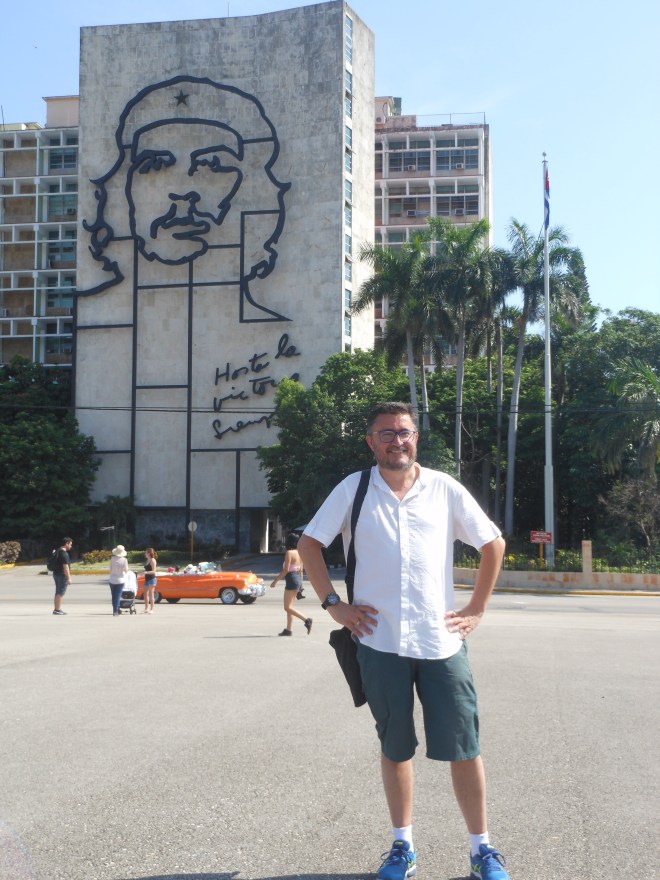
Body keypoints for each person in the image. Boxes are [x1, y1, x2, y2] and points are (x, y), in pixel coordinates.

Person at [298, 402, 510, 880]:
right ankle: (403, 847)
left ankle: (482, 850)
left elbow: (492, 543)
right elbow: (309, 543)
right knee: (395, 747)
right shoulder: (353, 489)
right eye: (387, 433)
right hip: (379, 642)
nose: (398, 440)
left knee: (464, 746)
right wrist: (334, 605)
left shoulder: (443, 488)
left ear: (416, 438)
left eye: (405, 432)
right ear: (371, 442)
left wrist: (476, 607)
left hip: (441, 643)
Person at [270, 533, 312, 637]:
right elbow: (301, 570)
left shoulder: (289, 553)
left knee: (287, 607)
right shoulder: (300, 553)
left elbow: (286, 570)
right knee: (290, 607)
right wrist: (301, 585)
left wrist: (275, 581)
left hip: (291, 579)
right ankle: (288, 630)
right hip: (297, 579)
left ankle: (307, 620)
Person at [51, 537, 73, 615]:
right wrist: (69, 578)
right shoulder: (64, 553)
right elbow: (66, 567)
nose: (71, 546)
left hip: (56, 574)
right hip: (62, 575)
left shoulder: (57, 551)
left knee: (58, 592)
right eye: (70, 544)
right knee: (60, 592)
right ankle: (57, 609)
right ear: (66, 543)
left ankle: (56, 609)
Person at [108, 545, 129, 616]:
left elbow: (110, 570)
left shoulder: (112, 559)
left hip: (112, 579)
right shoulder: (124, 560)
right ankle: (115, 610)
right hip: (120, 580)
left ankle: (117, 608)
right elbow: (126, 571)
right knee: (118, 595)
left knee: (114, 596)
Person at [143, 548, 158, 614]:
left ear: (149, 553)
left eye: (146, 552)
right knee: (145, 593)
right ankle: (146, 608)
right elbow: (146, 569)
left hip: (152, 579)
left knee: (151, 594)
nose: (145, 553)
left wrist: (146, 572)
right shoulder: (147, 560)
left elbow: (154, 571)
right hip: (147, 579)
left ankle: (151, 609)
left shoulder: (153, 560)